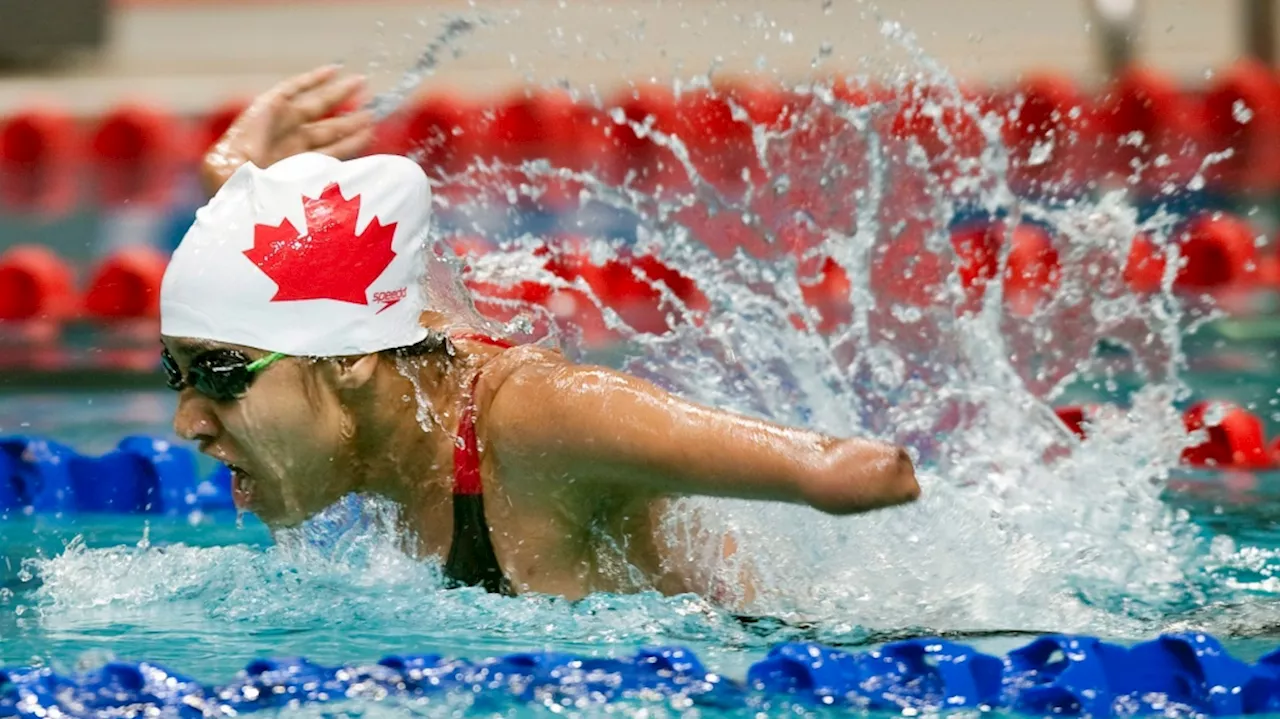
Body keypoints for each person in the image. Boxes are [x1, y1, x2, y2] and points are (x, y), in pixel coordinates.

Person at [160, 64, 921, 605]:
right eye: (179, 375)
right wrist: (233, 182)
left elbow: (855, 472)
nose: (187, 423)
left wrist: (845, 472)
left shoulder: (539, 420)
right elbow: (302, 297)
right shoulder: (370, 353)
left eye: (222, 374)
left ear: (351, 361)